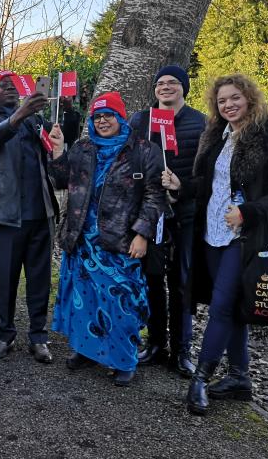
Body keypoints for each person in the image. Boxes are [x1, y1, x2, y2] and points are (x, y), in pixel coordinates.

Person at [162, 74, 268, 415]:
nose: (228, 105)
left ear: (249, 99)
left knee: (221, 307)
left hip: (244, 239)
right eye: (222, 101)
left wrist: (247, 212)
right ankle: (239, 378)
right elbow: (209, 184)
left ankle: (200, 381)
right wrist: (182, 185)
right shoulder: (216, 137)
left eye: (235, 98)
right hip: (211, 235)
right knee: (236, 309)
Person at [48, 92, 166, 387]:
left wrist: (142, 234)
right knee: (84, 300)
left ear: (120, 117)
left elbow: (154, 196)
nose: (102, 121)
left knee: (121, 302)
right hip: (81, 238)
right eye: (97, 116)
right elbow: (62, 180)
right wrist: (59, 150)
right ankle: (87, 351)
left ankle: (124, 359)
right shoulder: (83, 147)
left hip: (119, 240)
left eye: (108, 115)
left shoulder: (143, 150)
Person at [128, 65, 206, 377]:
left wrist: (181, 187)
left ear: (184, 87)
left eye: (173, 82)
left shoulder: (201, 123)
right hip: (151, 215)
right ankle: (156, 341)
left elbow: (210, 175)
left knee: (182, 282)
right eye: (160, 83)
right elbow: (128, 159)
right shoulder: (141, 120)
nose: (166, 87)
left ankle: (182, 349)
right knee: (151, 278)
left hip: (185, 215)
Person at [0, 72, 58, 363]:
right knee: (8, 279)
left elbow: (53, 153)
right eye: (3, 85)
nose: (10, 88)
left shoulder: (36, 120)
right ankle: (4, 335)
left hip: (39, 212)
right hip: (8, 215)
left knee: (39, 279)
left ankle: (39, 337)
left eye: (14, 84)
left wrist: (58, 131)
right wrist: (20, 113)